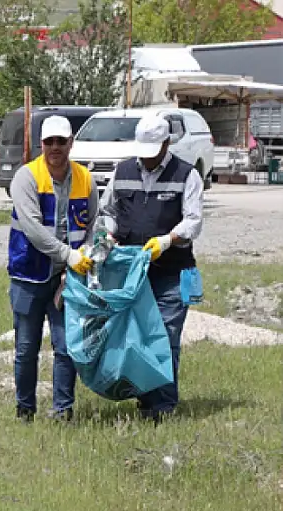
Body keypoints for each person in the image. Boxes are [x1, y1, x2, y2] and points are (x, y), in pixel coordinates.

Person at [98, 115, 204, 423]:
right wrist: (109, 233)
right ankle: (146, 401)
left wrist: (168, 240)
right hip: (133, 273)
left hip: (172, 271)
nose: (146, 157)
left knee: (165, 337)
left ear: (167, 143)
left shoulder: (186, 175)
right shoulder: (124, 170)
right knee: (139, 337)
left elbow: (194, 221)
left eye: (153, 150)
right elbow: (109, 211)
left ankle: (164, 407)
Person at [7, 115, 97, 423]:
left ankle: (63, 411)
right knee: (26, 348)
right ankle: (25, 410)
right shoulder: (26, 177)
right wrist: (66, 254)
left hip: (67, 278)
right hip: (28, 275)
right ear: (41, 144)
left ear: (71, 142)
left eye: (62, 141)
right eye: (49, 142)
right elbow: (32, 228)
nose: (55, 147)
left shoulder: (85, 179)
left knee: (67, 346)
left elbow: (93, 224)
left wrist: (84, 251)